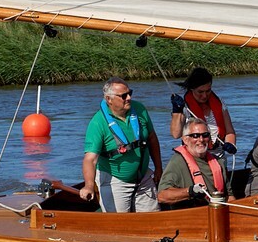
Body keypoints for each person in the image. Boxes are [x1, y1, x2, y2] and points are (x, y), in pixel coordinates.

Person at [79, 77, 162, 212]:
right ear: (109, 99)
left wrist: (158, 168)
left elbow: (152, 139)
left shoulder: (139, 109)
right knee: (119, 222)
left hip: (143, 178)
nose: (129, 98)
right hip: (115, 182)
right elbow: (90, 159)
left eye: (130, 93)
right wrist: (89, 185)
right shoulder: (97, 123)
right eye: (123, 96)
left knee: (153, 218)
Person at [158, 118, 236, 208]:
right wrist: (190, 191)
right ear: (185, 139)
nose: (201, 139)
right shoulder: (177, 162)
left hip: (216, 211)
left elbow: (229, 197)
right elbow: (162, 196)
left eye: (205, 135)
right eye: (195, 136)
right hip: (192, 213)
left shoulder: (218, 162)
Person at [170, 67, 237, 158]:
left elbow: (230, 132)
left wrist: (231, 144)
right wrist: (176, 111)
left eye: (208, 91)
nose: (204, 95)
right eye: (200, 92)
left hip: (218, 156)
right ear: (192, 89)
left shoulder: (219, 103)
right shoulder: (184, 107)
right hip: (193, 158)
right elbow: (176, 134)